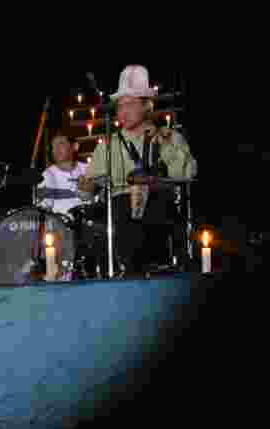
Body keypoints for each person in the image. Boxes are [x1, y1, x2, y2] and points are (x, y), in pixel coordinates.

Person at [78, 65, 198, 276]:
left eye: (131, 104)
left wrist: (164, 145)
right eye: (120, 106)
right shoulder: (108, 145)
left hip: (159, 210)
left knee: (159, 211)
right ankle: (128, 271)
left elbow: (187, 174)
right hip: (119, 213)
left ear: (147, 106)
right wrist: (86, 187)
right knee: (116, 216)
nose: (123, 111)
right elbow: (87, 192)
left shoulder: (168, 136)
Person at [37, 132, 89, 216]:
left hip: (87, 220)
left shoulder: (87, 169)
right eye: (53, 146)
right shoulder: (47, 175)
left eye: (61, 143)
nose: (56, 149)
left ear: (75, 146)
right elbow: (44, 207)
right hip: (59, 222)